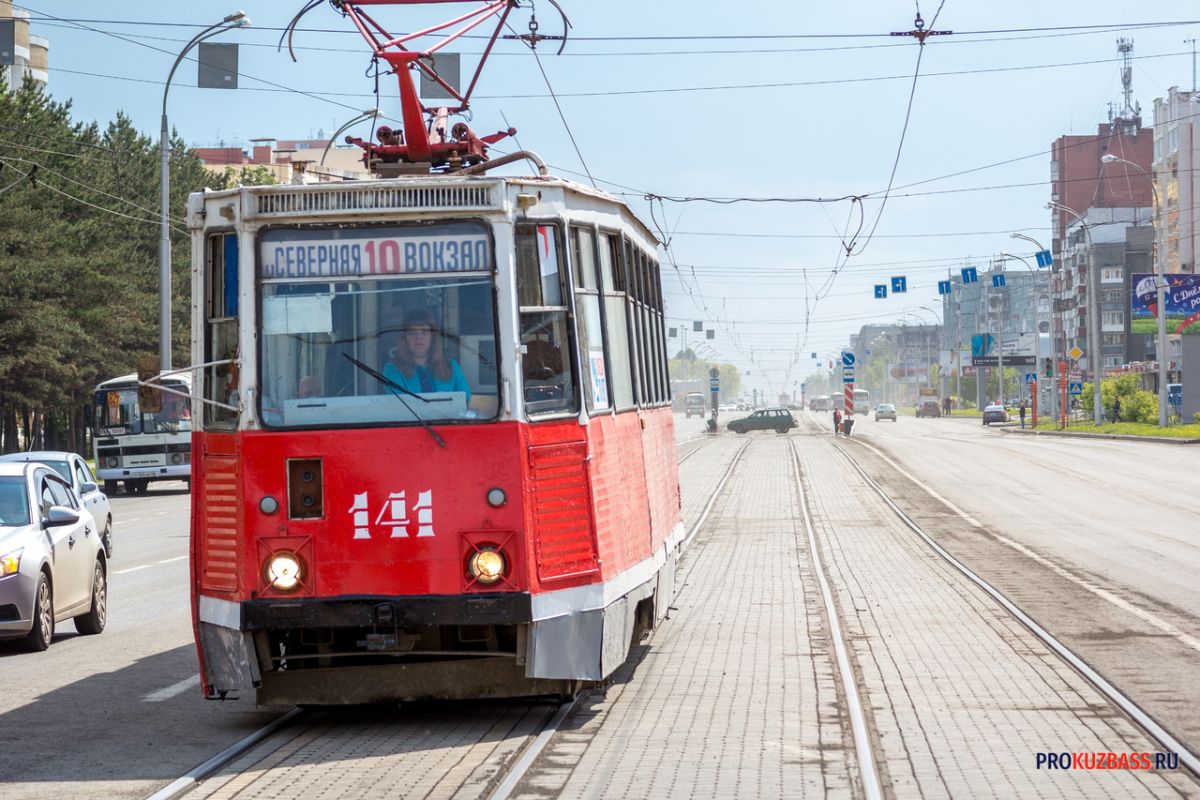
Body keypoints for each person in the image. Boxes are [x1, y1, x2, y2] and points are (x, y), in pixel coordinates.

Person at [383, 308, 471, 402]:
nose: (419, 337)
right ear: (404, 338)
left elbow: (465, 400)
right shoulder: (392, 370)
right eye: (412, 332)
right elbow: (399, 405)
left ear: (433, 336)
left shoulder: (452, 366)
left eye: (424, 331)